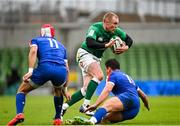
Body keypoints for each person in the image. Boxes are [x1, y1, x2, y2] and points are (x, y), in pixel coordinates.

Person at [61, 11, 133, 116]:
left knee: (86, 90)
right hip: (85, 54)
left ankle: (64, 107)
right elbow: (90, 42)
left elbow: (129, 39)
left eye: (117, 23)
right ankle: (86, 106)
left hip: (95, 59)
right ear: (105, 22)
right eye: (114, 23)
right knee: (99, 76)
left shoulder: (115, 31)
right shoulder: (95, 28)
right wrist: (106, 45)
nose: (116, 26)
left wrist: (125, 47)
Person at [7, 24, 71, 125]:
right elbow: (67, 68)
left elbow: (33, 51)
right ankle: (58, 118)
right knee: (58, 90)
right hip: (61, 71)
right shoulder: (62, 46)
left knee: (22, 90)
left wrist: (30, 71)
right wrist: (66, 89)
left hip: (45, 68)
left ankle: (19, 114)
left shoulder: (36, 40)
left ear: (42, 32)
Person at [83, 59, 150, 124]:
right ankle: (93, 121)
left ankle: (90, 123)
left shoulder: (112, 75)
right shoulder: (127, 77)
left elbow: (107, 90)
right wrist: (147, 105)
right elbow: (144, 96)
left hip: (127, 97)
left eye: (106, 69)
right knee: (103, 119)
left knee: (105, 107)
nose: (106, 71)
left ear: (108, 68)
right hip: (134, 110)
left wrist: (96, 104)